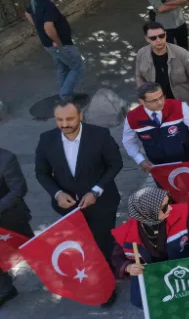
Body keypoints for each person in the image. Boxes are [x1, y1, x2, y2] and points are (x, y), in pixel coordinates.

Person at [34, 100, 122, 307]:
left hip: (102, 205)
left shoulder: (100, 135)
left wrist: (96, 191)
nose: (64, 124)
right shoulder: (46, 139)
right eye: (59, 120)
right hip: (68, 208)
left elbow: (115, 164)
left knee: (102, 244)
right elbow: (42, 173)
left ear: (81, 116)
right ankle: (93, 275)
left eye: (70, 119)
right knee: (83, 246)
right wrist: (57, 194)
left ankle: (107, 287)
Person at [112, 188, 189, 309]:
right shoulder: (126, 232)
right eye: (164, 207)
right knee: (157, 305)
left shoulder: (179, 214)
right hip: (150, 274)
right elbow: (117, 257)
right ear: (148, 213)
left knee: (187, 298)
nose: (170, 208)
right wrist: (128, 267)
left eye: (168, 203)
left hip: (179, 267)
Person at [121, 82, 189, 177]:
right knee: (165, 187)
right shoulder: (133, 117)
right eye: (154, 100)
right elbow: (128, 141)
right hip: (159, 165)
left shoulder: (178, 106)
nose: (160, 102)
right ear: (142, 101)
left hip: (188, 160)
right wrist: (140, 160)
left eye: (161, 97)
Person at [24, 0, 85, 101]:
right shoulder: (48, 5)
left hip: (48, 44)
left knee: (62, 67)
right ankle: (65, 94)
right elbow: (48, 27)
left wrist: (37, 26)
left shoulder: (34, 1)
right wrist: (59, 42)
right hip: (59, 44)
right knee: (77, 67)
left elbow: (27, 13)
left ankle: (66, 95)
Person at [135, 22, 189, 110]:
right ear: (147, 39)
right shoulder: (141, 54)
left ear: (166, 35)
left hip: (181, 105)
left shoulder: (182, 54)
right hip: (156, 106)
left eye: (161, 36)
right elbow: (139, 76)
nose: (158, 40)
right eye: (153, 38)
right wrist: (144, 98)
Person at [0, 148, 31, 307]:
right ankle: (5, 290)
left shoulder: (6, 158)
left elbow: (19, 189)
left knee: (35, 251)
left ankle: (67, 274)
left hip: (10, 219)